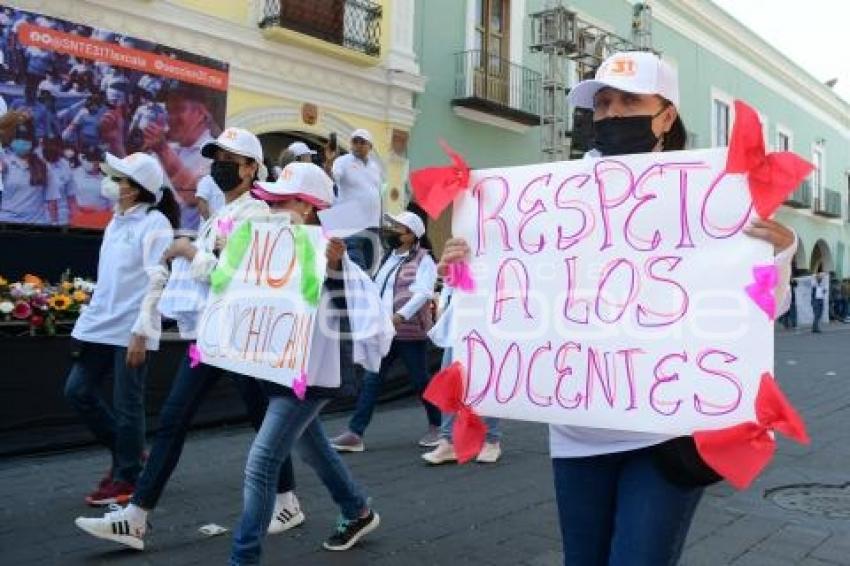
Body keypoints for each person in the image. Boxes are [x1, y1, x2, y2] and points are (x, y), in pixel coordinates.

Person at [437, 51, 797, 566]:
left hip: (669, 429)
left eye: (630, 100)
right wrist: (467, 269)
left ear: (666, 114)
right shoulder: (544, 200)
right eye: (603, 104)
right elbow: (517, 297)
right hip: (578, 428)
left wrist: (778, 254)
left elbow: (761, 307)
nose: (612, 114)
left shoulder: (713, 197)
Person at [74, 127, 304, 550]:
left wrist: (188, 251)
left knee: (262, 420)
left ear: (252, 167)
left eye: (229, 157)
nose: (219, 165)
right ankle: (137, 517)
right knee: (176, 420)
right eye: (216, 156)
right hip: (212, 336)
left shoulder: (259, 214)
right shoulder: (222, 213)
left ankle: (291, 501)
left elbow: (229, 276)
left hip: (240, 337)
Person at [230, 161, 390, 564]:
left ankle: (243, 557)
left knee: (262, 461)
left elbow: (350, 321)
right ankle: (357, 510)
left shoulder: (334, 257)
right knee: (311, 446)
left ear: (306, 208)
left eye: (280, 201)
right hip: (278, 369)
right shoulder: (270, 250)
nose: (270, 208)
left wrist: (334, 269)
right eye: (272, 200)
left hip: (309, 376)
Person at [64, 152, 178, 506]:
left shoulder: (155, 223)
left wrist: (141, 332)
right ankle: (130, 455)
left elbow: (158, 279)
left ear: (136, 189)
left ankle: (127, 477)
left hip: (131, 328)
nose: (112, 184)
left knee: (128, 404)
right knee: (77, 391)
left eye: (120, 179)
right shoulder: (115, 221)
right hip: (99, 325)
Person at [331, 211, 441, 452]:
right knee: (372, 380)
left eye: (397, 228)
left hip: (410, 333)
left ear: (411, 235)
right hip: (386, 332)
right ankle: (355, 433)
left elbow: (423, 292)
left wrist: (399, 317)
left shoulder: (425, 260)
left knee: (421, 381)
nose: (390, 231)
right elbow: (376, 287)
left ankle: (438, 426)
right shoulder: (388, 257)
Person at [421, 286, 503, 464]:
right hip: (459, 316)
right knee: (450, 379)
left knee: (486, 379)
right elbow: (447, 270)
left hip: (489, 311)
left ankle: (491, 440)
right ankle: (448, 441)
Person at [144, 85, 215, 231]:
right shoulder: (168, 149)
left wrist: (163, 151)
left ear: (201, 113)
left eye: (179, 109)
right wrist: (115, 142)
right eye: (169, 111)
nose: (171, 118)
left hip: (186, 247)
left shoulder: (215, 155)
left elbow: (194, 197)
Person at [330, 128, 384, 271]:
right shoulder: (342, 161)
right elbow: (334, 176)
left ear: (370, 146)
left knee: (369, 266)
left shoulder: (375, 167)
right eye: (355, 141)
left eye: (362, 142)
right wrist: (330, 163)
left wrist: (381, 222)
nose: (358, 145)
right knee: (355, 267)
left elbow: (377, 195)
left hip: (372, 225)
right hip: (351, 222)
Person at [0, 120, 59, 224]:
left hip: (35, 224)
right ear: (12, 141)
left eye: (25, 139)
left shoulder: (43, 166)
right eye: (18, 138)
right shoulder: (4, 163)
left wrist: (55, 224)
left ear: (32, 142)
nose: (21, 142)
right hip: (6, 222)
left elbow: (52, 200)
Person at [40, 135, 77, 225]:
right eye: (49, 145)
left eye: (55, 145)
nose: (52, 148)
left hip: (63, 217)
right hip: (40, 217)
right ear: (43, 146)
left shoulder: (65, 165)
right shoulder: (36, 163)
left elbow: (71, 196)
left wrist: (75, 218)